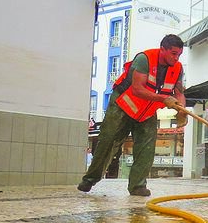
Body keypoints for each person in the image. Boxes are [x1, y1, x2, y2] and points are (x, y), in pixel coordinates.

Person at [78, 34, 186, 197]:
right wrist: (164, 99)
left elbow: (179, 93)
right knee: (108, 142)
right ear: (162, 49)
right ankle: (90, 179)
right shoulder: (145, 59)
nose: (176, 58)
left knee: (147, 147)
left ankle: (138, 186)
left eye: (179, 54)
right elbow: (137, 89)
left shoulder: (177, 68)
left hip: (147, 111)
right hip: (123, 105)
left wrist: (181, 110)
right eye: (173, 53)